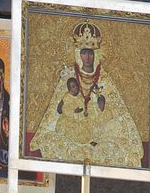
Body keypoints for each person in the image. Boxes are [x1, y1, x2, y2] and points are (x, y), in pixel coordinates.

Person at [30, 21, 143, 168]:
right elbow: (55, 112)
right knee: (52, 139)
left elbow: (118, 112)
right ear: (78, 53)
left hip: (98, 128)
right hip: (74, 127)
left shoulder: (104, 79)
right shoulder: (69, 76)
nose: (87, 57)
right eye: (84, 52)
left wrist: (101, 106)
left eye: (91, 52)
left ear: (96, 54)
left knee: (120, 145)